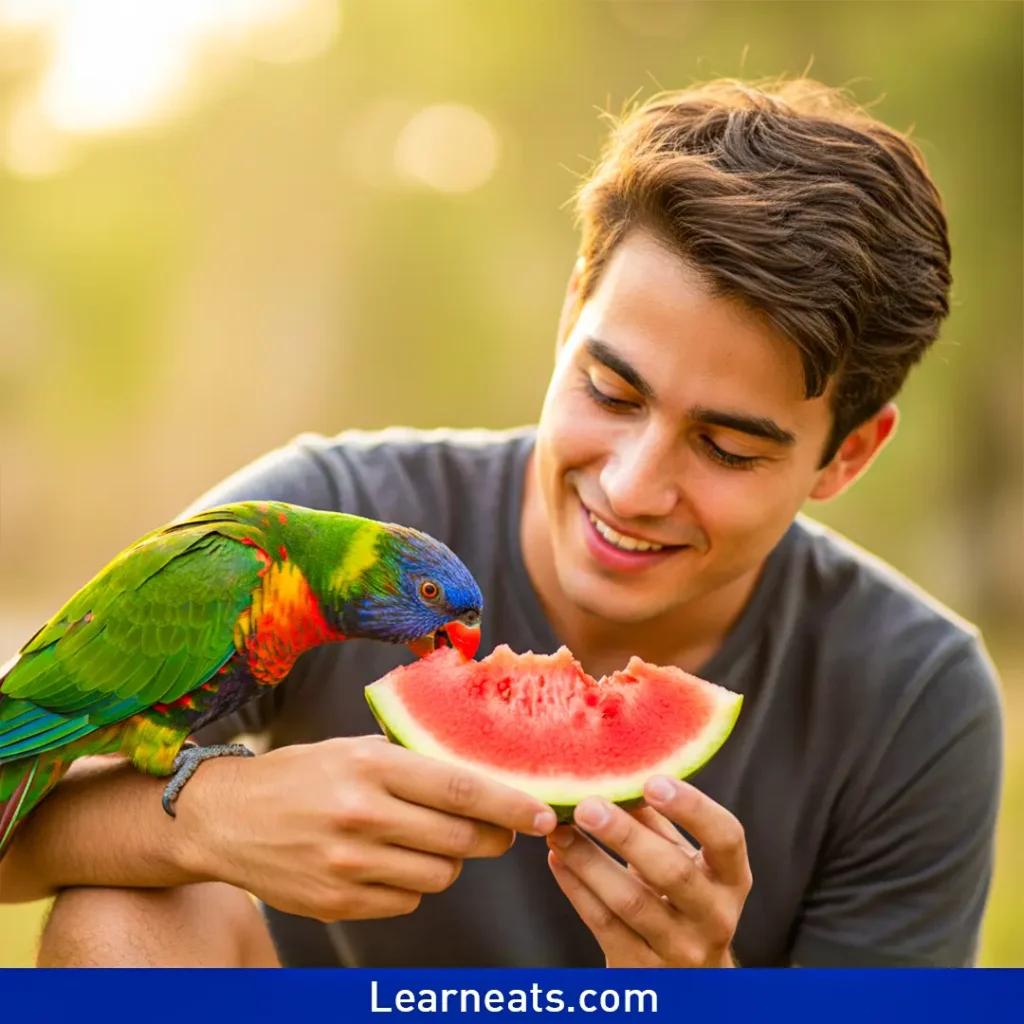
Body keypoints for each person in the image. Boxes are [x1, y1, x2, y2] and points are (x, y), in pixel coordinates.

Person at [0, 77, 1003, 969]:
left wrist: (699, 991)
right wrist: (208, 821)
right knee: (120, 911)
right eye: (612, 390)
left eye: (727, 448)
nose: (631, 483)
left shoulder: (916, 700)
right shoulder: (303, 524)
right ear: (572, 310)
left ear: (847, 454)